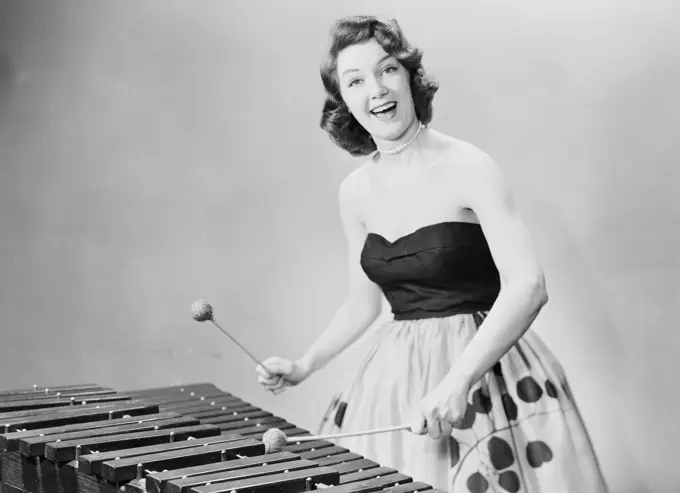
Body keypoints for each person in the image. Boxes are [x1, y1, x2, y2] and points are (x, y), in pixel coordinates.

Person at [256, 16, 609, 493]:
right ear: (344, 103)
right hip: (393, 385)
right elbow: (363, 304)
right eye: (356, 81)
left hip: (486, 373)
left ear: (408, 76)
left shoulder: (471, 167)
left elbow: (529, 286)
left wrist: (458, 381)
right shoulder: (354, 193)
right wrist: (304, 365)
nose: (376, 89)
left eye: (387, 70)